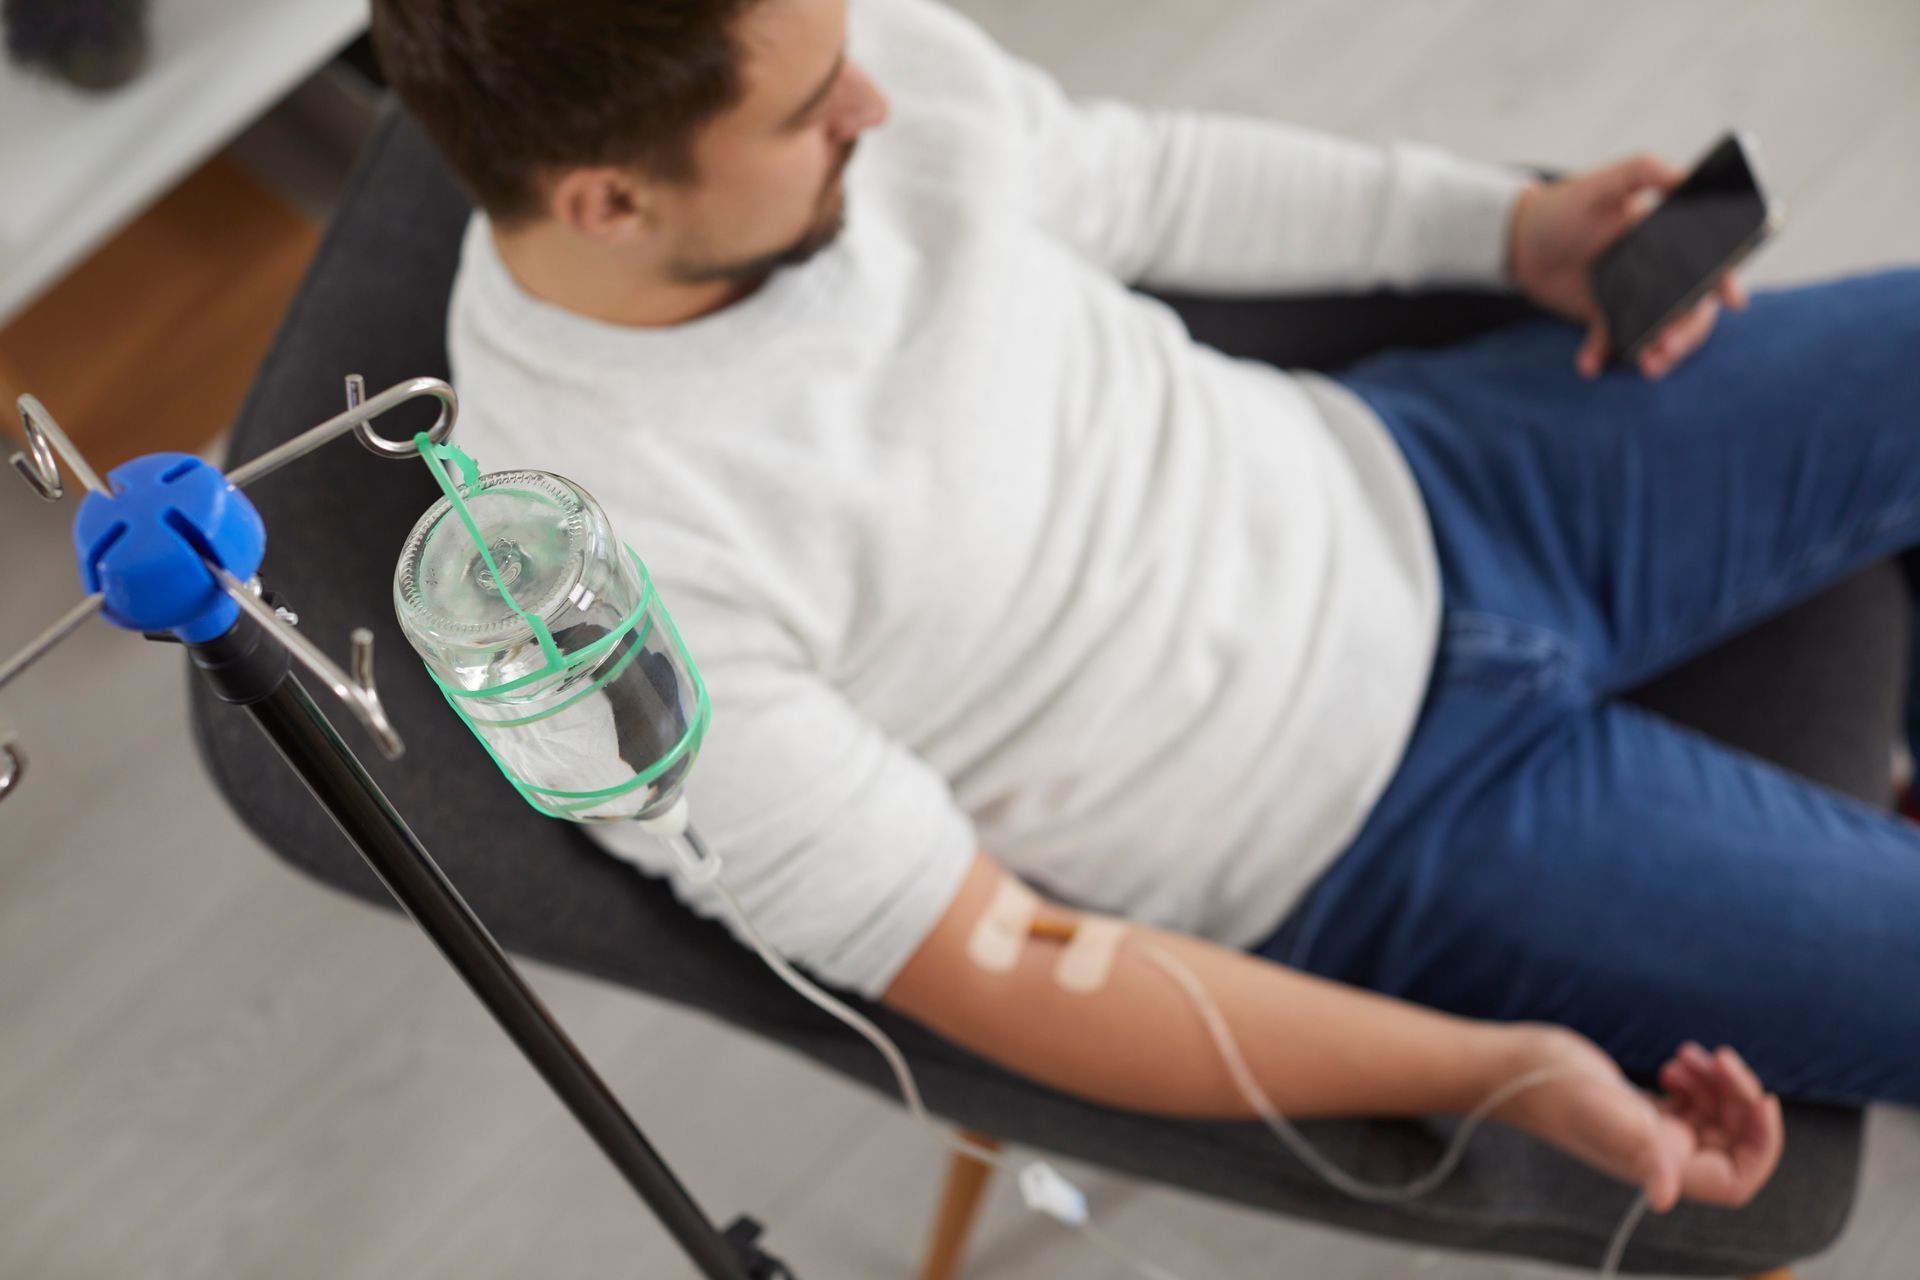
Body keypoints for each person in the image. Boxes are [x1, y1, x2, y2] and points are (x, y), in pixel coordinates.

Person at [370, 0, 1920, 1215]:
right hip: (1379, 847)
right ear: (609, 201)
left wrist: (1500, 229)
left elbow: (1145, 179)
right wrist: (1494, 1072)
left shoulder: (816, 57)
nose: (877, 104)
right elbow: (993, 958)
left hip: (1434, 476)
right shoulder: (588, 590)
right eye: (813, 112)